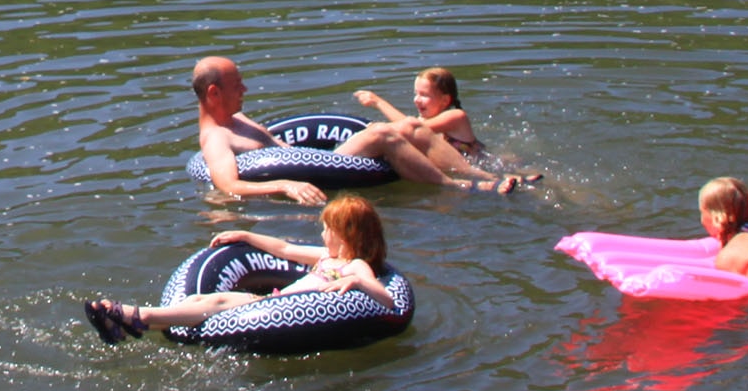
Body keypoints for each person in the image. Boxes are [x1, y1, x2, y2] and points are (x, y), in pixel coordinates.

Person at [188, 56, 521, 204]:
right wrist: (286, 185)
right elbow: (229, 186)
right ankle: (457, 186)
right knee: (381, 133)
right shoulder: (216, 137)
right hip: (313, 171)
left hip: (318, 159)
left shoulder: (239, 119)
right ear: (214, 94)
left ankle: (484, 176)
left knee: (411, 125)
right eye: (237, 84)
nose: (245, 89)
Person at [85, 195, 402, 341]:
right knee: (198, 301)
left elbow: (386, 299)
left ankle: (136, 316)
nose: (321, 235)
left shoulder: (354, 265)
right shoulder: (325, 256)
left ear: (345, 234)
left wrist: (358, 284)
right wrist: (246, 234)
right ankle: (129, 325)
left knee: (216, 302)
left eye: (326, 229)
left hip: (277, 309)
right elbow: (286, 249)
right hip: (273, 301)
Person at [354, 67, 538, 181]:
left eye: (424, 95)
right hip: (464, 170)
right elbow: (410, 127)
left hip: (484, 166)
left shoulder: (456, 116)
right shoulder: (423, 121)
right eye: (416, 94)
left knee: (528, 180)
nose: (417, 100)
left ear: (444, 100)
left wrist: (379, 103)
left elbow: (410, 128)